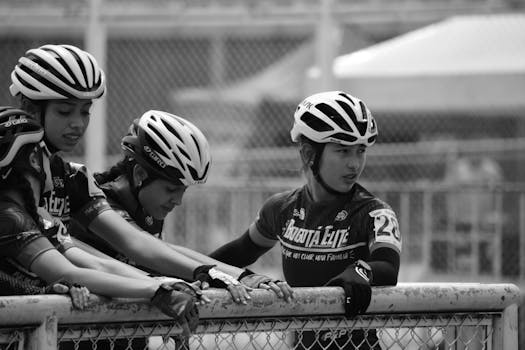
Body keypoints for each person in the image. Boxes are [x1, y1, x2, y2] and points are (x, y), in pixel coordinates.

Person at [8, 44, 253, 303]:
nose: (78, 123)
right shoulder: (11, 184)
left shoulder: (74, 178)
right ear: (31, 109)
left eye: (85, 110)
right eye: (65, 111)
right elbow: (76, 260)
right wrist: (155, 284)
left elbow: (133, 241)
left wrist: (208, 273)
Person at [209, 91, 402, 349]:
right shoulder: (281, 209)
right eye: (343, 151)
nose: (355, 164)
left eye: (360, 150)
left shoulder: (374, 213)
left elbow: (387, 267)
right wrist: (190, 271)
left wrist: (362, 270)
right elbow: (240, 251)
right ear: (309, 153)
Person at [0, 107, 199, 336]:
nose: (51, 162)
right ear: (32, 161)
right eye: (42, 154)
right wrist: (154, 289)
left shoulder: (37, 216)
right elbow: (68, 273)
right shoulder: (9, 216)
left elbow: (98, 264)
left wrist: (164, 284)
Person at [70, 109, 293, 301]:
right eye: (170, 189)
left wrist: (232, 275)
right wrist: (236, 275)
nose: (178, 201)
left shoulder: (144, 205)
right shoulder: (98, 200)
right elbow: (151, 249)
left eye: (183, 190)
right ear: (139, 174)